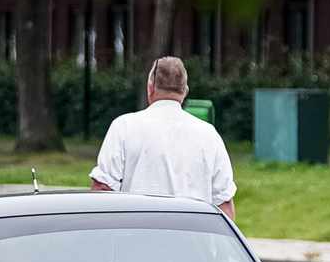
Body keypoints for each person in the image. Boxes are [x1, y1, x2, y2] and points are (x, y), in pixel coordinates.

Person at [89, 57, 236, 219]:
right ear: (185, 91)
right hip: (191, 239)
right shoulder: (209, 135)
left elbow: (102, 190)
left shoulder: (124, 126)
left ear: (150, 87)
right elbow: (224, 206)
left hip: (135, 236)